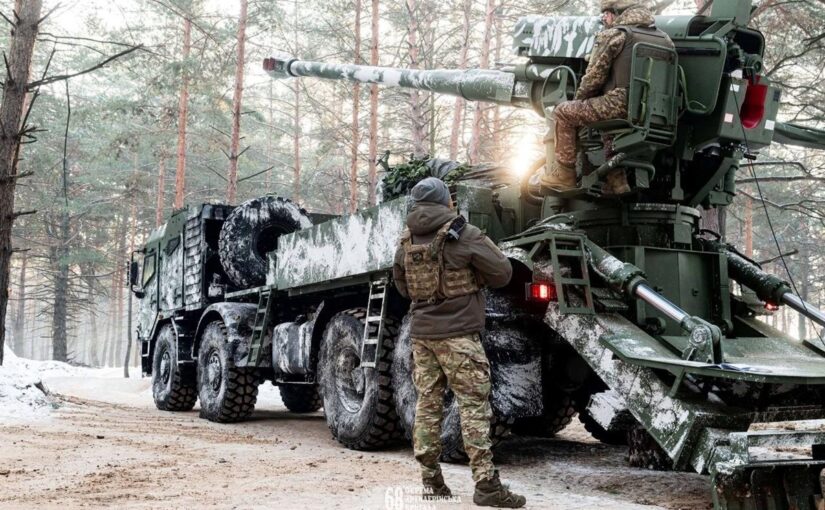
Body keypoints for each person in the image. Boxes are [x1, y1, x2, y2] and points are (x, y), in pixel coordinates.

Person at [392, 177, 525, 508]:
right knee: (473, 407)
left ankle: (431, 481)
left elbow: (402, 287)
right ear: (446, 201)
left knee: (427, 404)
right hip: (460, 337)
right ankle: (486, 485)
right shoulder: (464, 233)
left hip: (422, 336)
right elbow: (503, 273)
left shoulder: (406, 239)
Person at [540, 0, 674, 194]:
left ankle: (564, 176)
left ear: (616, 12)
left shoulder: (615, 35)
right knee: (606, 119)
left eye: (606, 14)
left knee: (564, 113)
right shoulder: (665, 39)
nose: (604, 18)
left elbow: (593, 78)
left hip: (620, 105)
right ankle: (616, 180)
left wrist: (579, 101)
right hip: (656, 112)